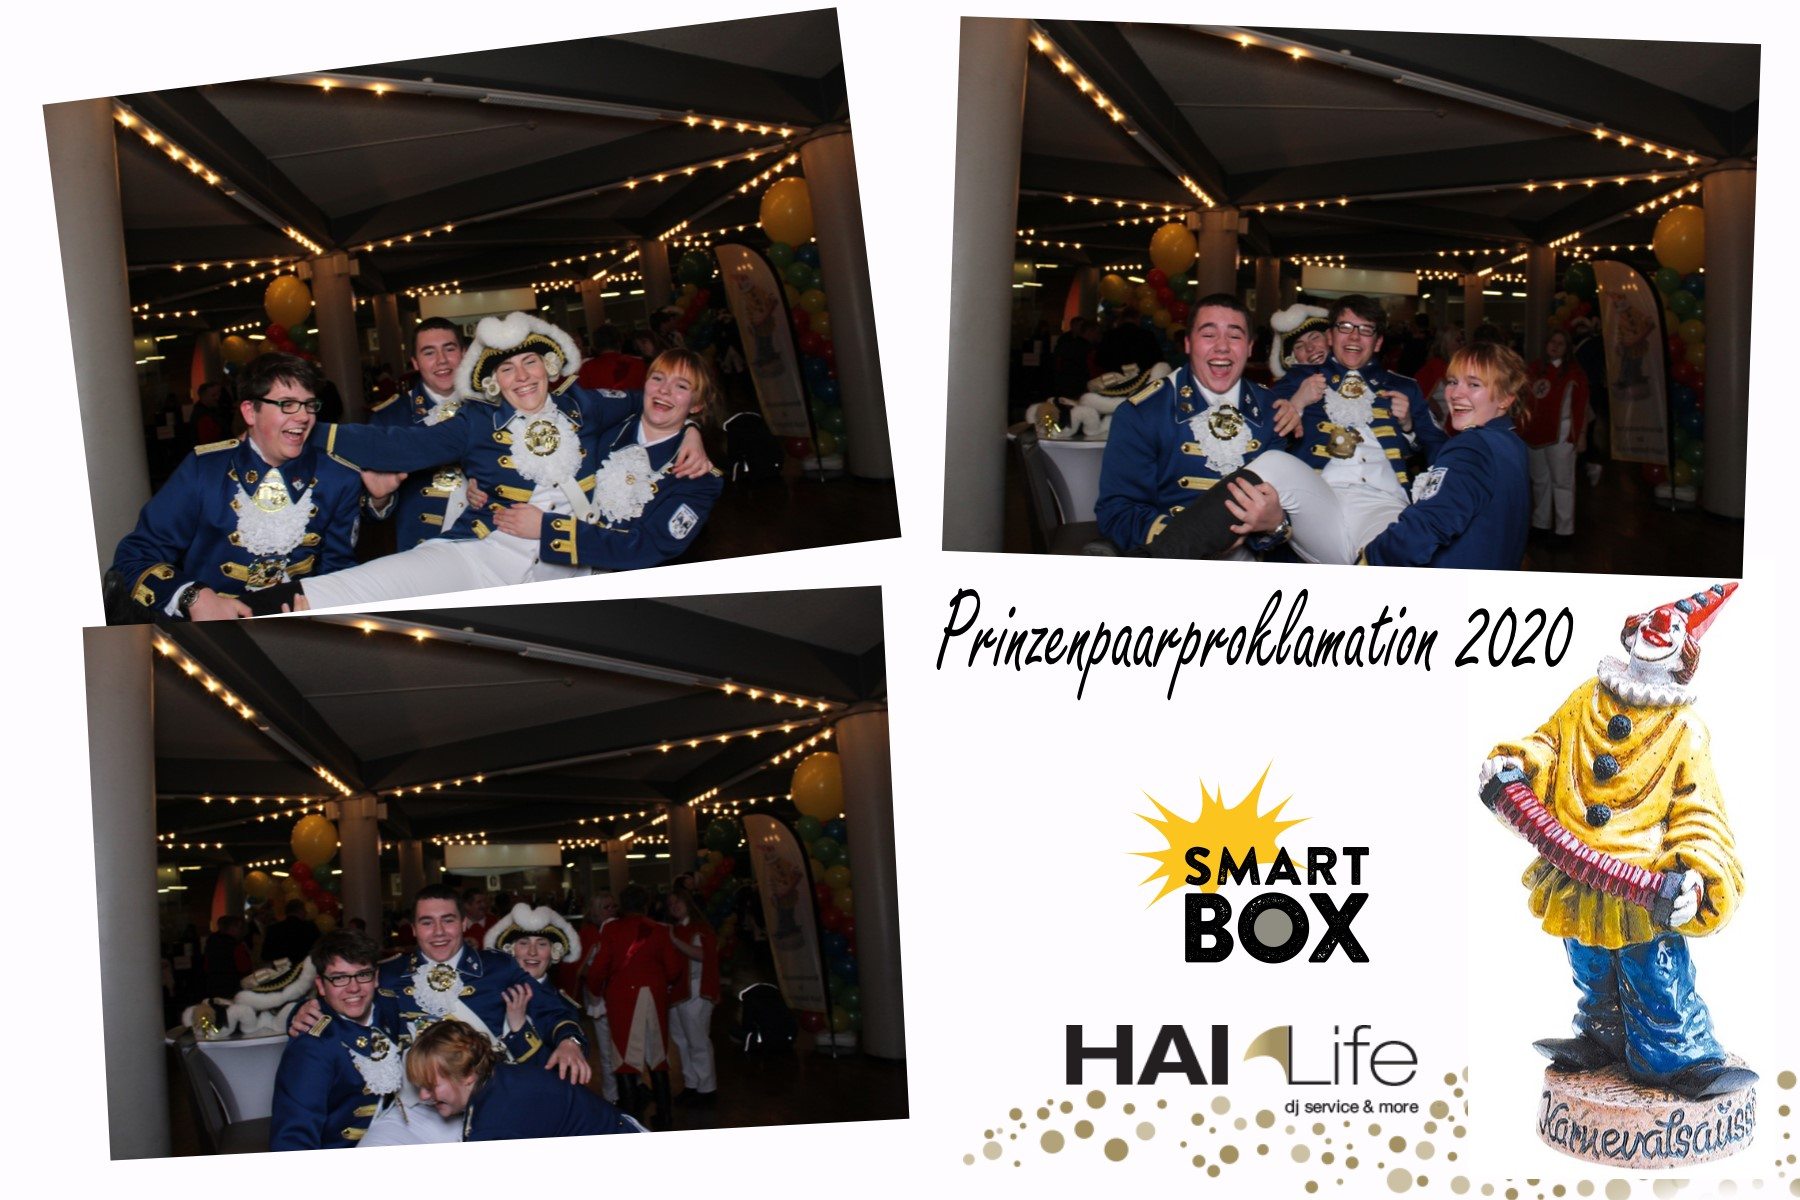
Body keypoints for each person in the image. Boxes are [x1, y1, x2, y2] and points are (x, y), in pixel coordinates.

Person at [1479, 584, 1754, 1100]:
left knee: (1654, 971)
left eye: (1673, 627)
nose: (1658, 629)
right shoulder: (1587, 697)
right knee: (1588, 961)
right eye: (1651, 621)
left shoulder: (1685, 729)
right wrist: (1517, 763)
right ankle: (1602, 1034)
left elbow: (1697, 807)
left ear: (1685, 653)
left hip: (1640, 885)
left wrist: (1695, 873)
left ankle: (1677, 1055)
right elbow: (1550, 744)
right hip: (1574, 866)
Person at [245, 315, 716, 612]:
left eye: (530, 363)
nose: (522, 377)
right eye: (506, 369)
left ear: (548, 367)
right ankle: (248, 610)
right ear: (494, 383)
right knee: (365, 585)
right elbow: (401, 445)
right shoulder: (476, 422)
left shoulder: (586, 406)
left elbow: (652, 404)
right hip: (483, 552)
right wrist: (305, 427)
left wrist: (694, 428)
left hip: (571, 570)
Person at [107, 353, 392, 622]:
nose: (304, 416)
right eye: (287, 404)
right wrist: (192, 597)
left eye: (309, 404)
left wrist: (324, 607)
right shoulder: (204, 471)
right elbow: (134, 557)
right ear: (250, 412)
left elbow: (338, 569)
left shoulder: (338, 476)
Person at [1094, 295, 1287, 558]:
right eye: (1208, 335)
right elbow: (1117, 512)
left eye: (1234, 336)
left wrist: (1275, 524)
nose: (1222, 347)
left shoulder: (1272, 410)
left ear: (1250, 347)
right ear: (1188, 343)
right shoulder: (1142, 413)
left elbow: (1292, 502)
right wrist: (1194, 539)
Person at [1358, 342, 1531, 569]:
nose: (1456, 394)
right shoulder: (1513, 443)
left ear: (1506, 398)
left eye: (1474, 384)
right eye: (1452, 382)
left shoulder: (1470, 447)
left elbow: (1424, 529)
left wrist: (1371, 558)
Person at [269, 931, 406, 1150]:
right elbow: (294, 1138)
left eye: (363, 974)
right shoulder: (311, 1048)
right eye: (339, 978)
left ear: (376, 977)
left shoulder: (389, 1008)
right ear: (321, 985)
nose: (353, 988)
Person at [406, 1018, 641, 1140]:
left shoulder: (494, 1124)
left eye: (431, 1086)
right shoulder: (496, 1078)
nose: (423, 1096)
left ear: (468, 1074)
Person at [365, 317, 471, 551]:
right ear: (415, 362)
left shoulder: (493, 408)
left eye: (449, 349)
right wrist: (379, 499)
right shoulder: (389, 419)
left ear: (464, 354)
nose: (441, 360)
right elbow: (371, 514)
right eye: (429, 353)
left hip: (488, 544)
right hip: (424, 551)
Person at [587, 884, 685, 1128]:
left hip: (622, 999)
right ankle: (665, 1117)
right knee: (658, 1059)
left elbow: (598, 969)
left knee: (624, 1061)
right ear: (646, 904)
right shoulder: (660, 930)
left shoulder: (612, 930)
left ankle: (631, 1121)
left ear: (622, 905)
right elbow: (674, 969)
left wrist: (595, 992)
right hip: (654, 997)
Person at [483, 902, 585, 1066]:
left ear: (554, 952)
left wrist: (570, 1042)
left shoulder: (563, 1005)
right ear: (511, 950)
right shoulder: (489, 992)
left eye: (542, 944)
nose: (532, 952)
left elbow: (567, 1050)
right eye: (523, 943)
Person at [1520, 329, 1590, 540]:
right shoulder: (1534, 369)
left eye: (1561, 343)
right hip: (1535, 433)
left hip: (1562, 433)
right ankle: (1540, 523)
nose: (1556, 346)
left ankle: (1564, 530)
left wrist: (1581, 435)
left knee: (1562, 482)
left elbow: (1582, 406)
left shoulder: (1575, 374)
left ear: (1568, 348)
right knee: (1539, 480)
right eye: (1552, 341)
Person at [665, 890, 720, 1105]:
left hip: (696, 991)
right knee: (681, 1041)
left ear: (688, 903)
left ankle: (707, 1089)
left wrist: (674, 941)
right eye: (671, 903)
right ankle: (691, 1084)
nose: (674, 905)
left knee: (697, 1041)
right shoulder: (676, 929)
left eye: (678, 901)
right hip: (678, 992)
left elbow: (704, 955)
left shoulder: (701, 928)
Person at [1266, 303, 1330, 380]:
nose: (1309, 348)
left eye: (1314, 338)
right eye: (1299, 346)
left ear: (1329, 338)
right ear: (1292, 358)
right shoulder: (1288, 387)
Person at [261, 898, 321, 967]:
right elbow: (319, 950)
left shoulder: (273, 929)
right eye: (304, 910)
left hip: (281, 971)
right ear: (300, 911)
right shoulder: (310, 927)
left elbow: (265, 955)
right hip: (305, 969)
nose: (306, 912)